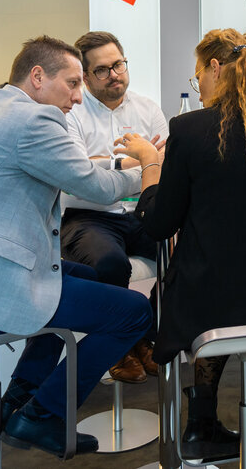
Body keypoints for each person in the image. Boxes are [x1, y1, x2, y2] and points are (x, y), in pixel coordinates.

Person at [0, 35, 152, 458]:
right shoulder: (34, 121)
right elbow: (94, 186)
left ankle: (21, 396)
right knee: (134, 313)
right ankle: (43, 415)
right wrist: (151, 166)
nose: (78, 97)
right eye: (72, 83)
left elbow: (74, 170)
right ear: (37, 76)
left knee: (87, 275)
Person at [115, 29, 246, 459]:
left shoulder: (189, 130)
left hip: (210, 300)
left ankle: (200, 424)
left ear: (214, 69)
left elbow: (159, 223)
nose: (199, 88)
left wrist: (150, 162)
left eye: (198, 78)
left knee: (218, 293)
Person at [61, 31, 168, 384]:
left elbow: (166, 163)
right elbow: (77, 172)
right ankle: (120, 345)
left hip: (141, 210)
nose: (114, 75)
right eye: (102, 70)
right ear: (86, 76)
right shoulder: (71, 113)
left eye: (118, 65)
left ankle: (146, 334)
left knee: (187, 249)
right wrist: (139, 162)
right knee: (110, 262)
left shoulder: (148, 108)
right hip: (89, 216)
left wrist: (103, 165)